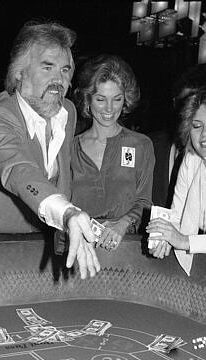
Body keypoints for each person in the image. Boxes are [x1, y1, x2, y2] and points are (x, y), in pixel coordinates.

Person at [0, 20, 100, 279]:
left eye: (66, 69)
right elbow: (19, 171)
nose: (59, 79)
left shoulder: (66, 111)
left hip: (35, 248)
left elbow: (63, 176)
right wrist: (67, 213)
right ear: (19, 73)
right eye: (47, 67)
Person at [70, 54, 154, 251]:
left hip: (126, 248)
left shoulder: (141, 145)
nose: (109, 108)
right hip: (80, 247)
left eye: (117, 99)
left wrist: (123, 223)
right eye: (101, 99)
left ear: (125, 100)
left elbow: (144, 201)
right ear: (87, 99)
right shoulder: (69, 148)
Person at [146, 87, 206, 277]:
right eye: (197, 126)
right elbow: (176, 214)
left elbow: (182, 238)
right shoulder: (191, 159)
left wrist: (183, 241)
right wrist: (164, 238)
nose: (204, 136)